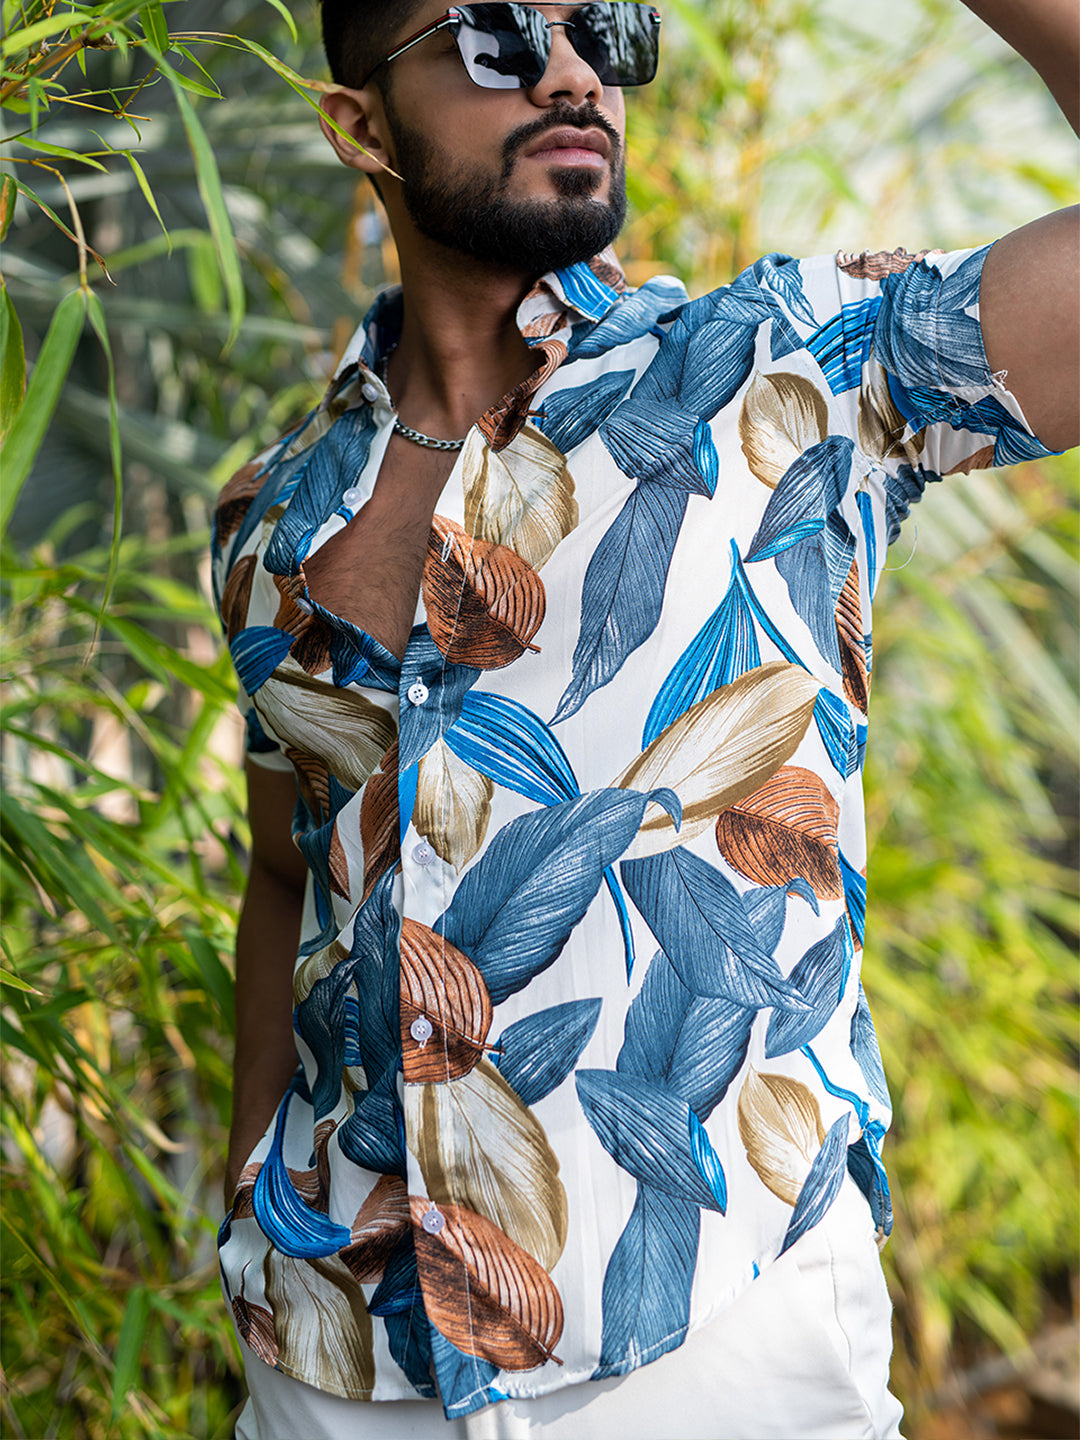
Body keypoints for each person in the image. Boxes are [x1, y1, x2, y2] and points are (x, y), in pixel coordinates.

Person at [210, 3, 1078, 1436]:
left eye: (600, 26)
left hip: (712, 1328)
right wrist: (248, 1189)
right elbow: (289, 867)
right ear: (360, 122)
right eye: (492, 35)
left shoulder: (791, 370)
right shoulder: (271, 511)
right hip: (335, 1358)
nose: (566, 71)